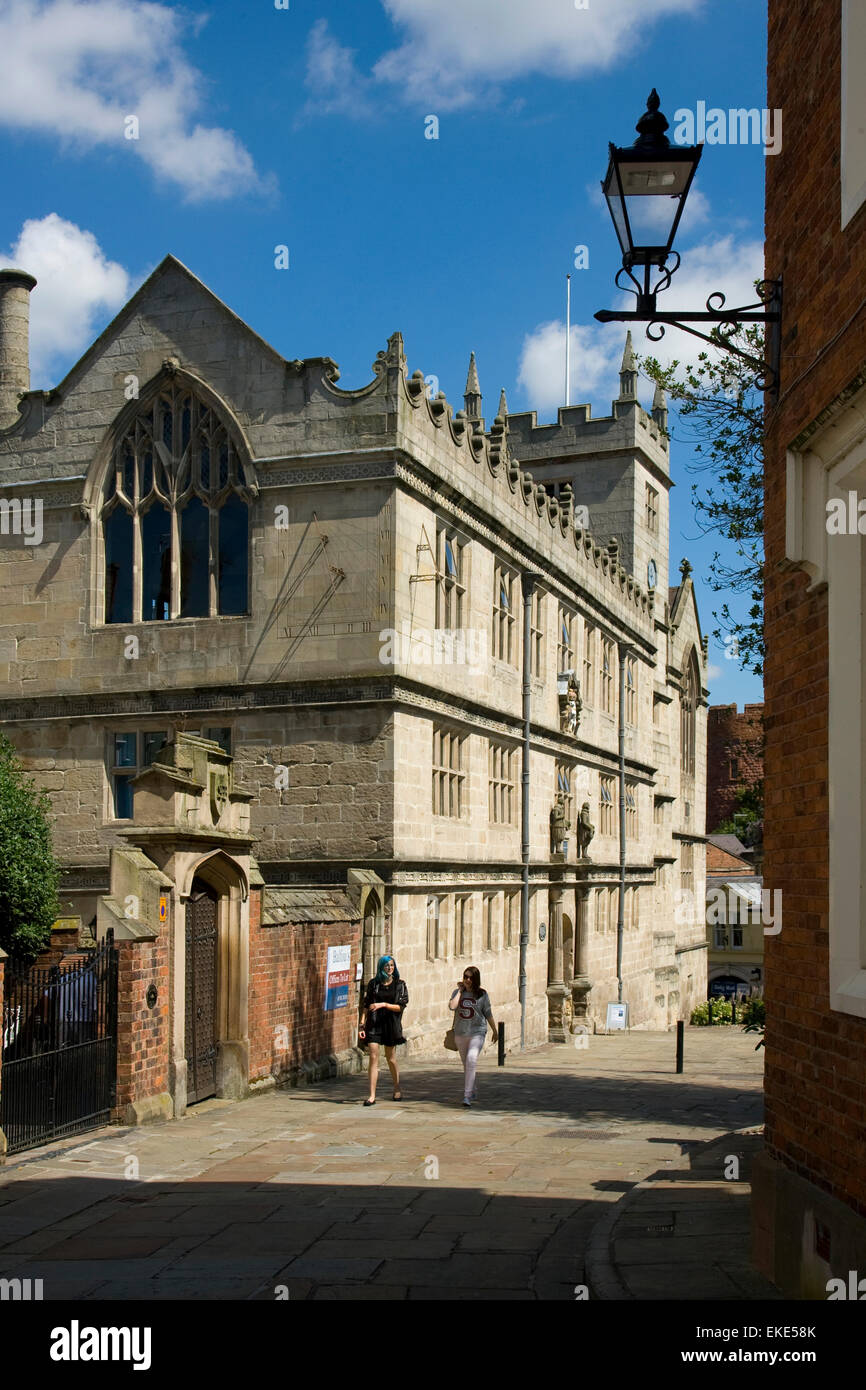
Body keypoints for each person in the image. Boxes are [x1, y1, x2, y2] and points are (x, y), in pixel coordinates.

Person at [358, 955, 408, 1105]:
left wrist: (384, 1004)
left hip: (390, 1024)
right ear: (381, 968)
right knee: (373, 1056)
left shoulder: (400, 984)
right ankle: (372, 1095)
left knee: (390, 1057)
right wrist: (362, 1024)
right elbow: (366, 1005)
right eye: (387, 966)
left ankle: (397, 1087)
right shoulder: (374, 984)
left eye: (392, 966)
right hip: (374, 1024)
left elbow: (401, 1006)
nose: (390, 968)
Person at [449, 966, 498, 1107]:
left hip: (477, 1032)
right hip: (460, 1033)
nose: (467, 980)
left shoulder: (482, 994)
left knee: (471, 1059)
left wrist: (494, 1030)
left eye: (470, 978)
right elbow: (452, 1006)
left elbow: (488, 1013)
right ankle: (473, 1089)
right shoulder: (457, 993)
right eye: (465, 977)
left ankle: (467, 1096)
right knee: (467, 1064)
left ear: (476, 979)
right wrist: (459, 991)